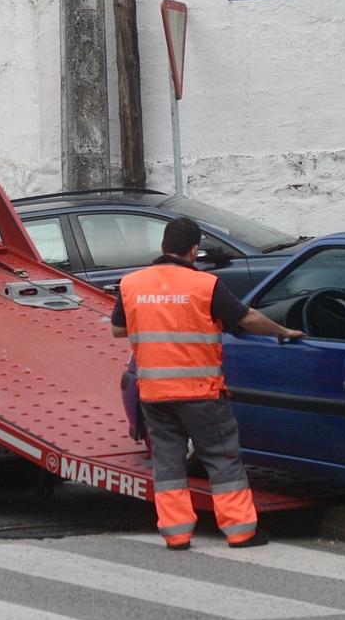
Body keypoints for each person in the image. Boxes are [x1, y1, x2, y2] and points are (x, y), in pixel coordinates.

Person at [112, 216, 302, 549]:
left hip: (155, 394)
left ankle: (176, 534)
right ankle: (241, 531)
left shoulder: (131, 284)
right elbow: (247, 319)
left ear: (164, 246)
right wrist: (283, 331)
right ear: (194, 250)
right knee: (222, 458)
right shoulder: (205, 285)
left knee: (168, 464)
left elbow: (117, 329)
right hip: (200, 393)